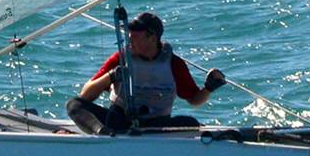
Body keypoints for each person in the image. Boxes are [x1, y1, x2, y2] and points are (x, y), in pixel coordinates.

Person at [68, 11, 228, 134]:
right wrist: (111, 76)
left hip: (157, 124)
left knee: (190, 123)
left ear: (152, 37)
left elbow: (194, 100)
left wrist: (209, 88)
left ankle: (142, 134)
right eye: (129, 35)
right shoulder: (120, 58)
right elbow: (85, 95)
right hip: (118, 121)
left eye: (135, 36)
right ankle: (103, 134)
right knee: (74, 105)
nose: (129, 40)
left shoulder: (174, 64)